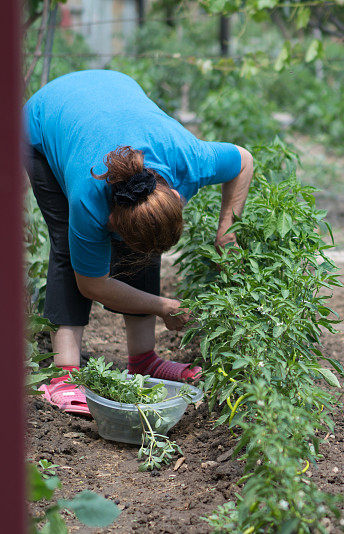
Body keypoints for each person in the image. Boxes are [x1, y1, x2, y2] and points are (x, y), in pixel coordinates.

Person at [24, 70, 254, 416]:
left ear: (177, 196)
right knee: (67, 247)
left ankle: (144, 360)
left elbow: (243, 161)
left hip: (113, 97)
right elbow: (91, 283)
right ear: (111, 220)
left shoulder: (188, 159)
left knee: (143, 242)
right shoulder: (90, 199)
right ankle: (64, 374)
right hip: (44, 122)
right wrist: (164, 306)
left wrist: (227, 235)